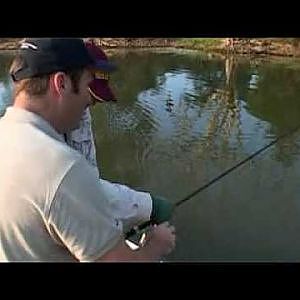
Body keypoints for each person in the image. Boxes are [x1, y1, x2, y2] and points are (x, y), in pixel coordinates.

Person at [0, 38, 176, 262]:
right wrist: (155, 247)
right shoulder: (62, 167)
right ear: (61, 83)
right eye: (86, 85)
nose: (88, 99)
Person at [64, 40, 173, 234]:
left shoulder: (81, 113)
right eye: (91, 97)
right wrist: (148, 206)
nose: (92, 105)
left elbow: (89, 179)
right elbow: (81, 190)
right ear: (62, 83)